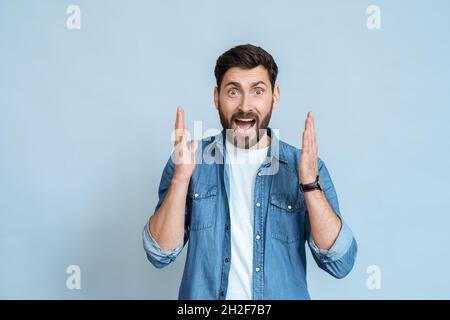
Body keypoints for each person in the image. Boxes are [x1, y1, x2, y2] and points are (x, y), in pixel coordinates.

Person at [143, 44, 357, 299]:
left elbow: (340, 262)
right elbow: (159, 254)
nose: (245, 106)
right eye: (233, 91)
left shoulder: (306, 166)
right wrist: (181, 179)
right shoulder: (188, 162)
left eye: (258, 91)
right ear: (216, 97)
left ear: (274, 96)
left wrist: (309, 185)